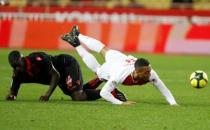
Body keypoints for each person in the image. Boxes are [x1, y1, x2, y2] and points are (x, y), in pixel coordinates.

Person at [61, 25, 178, 105]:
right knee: (98, 69)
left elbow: (164, 89)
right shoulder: (119, 75)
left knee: (103, 49)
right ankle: (77, 42)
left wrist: (173, 103)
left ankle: (78, 35)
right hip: (114, 67)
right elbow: (104, 93)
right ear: (136, 71)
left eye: (148, 71)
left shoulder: (151, 74)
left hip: (122, 60)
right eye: (145, 72)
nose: (148, 74)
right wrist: (121, 103)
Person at [6, 50, 126, 102]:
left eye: (18, 64)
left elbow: (55, 75)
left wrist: (47, 94)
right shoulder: (18, 74)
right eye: (15, 66)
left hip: (66, 65)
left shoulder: (37, 58)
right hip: (60, 76)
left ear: (22, 59)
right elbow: (13, 91)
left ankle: (110, 92)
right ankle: (100, 78)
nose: (18, 68)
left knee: (78, 96)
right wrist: (12, 96)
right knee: (79, 92)